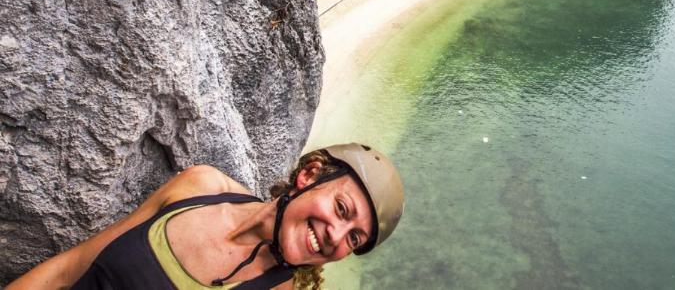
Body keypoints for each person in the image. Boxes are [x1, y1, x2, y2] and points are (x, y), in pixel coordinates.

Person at [8, 143, 404, 290]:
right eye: (341, 210)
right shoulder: (200, 188)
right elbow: (68, 270)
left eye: (354, 239)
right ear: (310, 174)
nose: (336, 236)